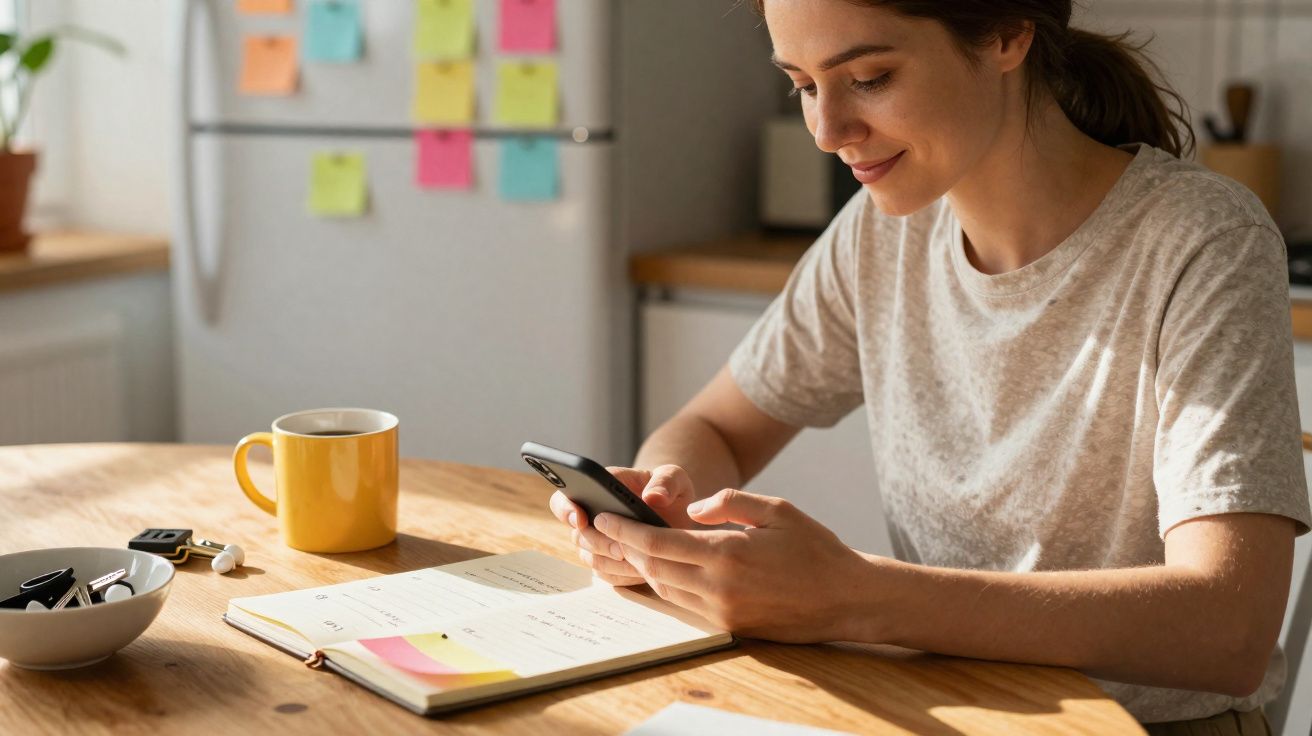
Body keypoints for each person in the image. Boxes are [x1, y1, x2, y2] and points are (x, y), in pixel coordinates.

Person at [548, 1, 1312, 732]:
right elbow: (713, 425)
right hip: (941, 709)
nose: (826, 129)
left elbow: (1228, 627)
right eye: (804, 86)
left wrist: (853, 598)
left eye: (869, 78)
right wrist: (663, 517)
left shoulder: (1203, 242)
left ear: (1007, 34)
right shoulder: (882, 236)